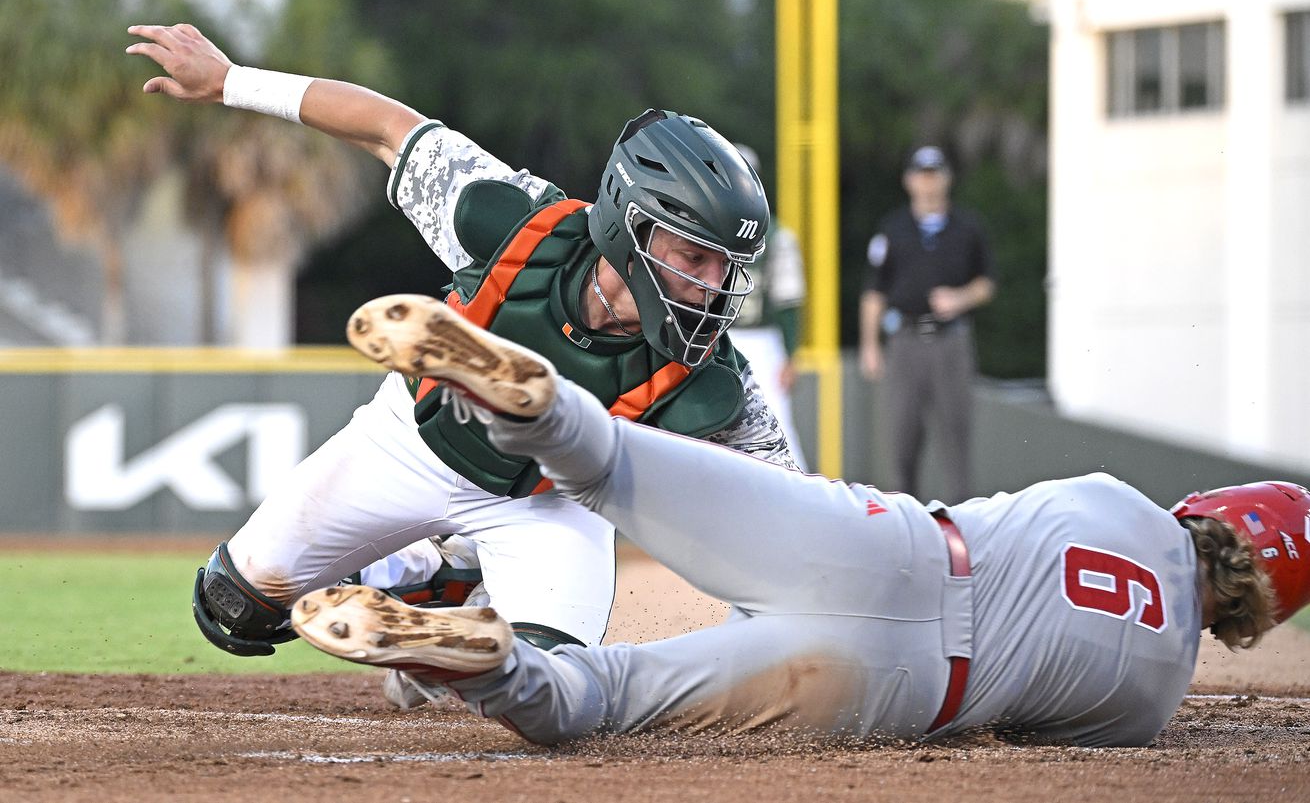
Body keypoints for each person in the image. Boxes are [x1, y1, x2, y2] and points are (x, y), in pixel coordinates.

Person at [291, 299, 1308, 747]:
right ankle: (496, 667)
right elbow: (1020, 727)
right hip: (898, 686)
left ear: (1213, 514)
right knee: (602, 700)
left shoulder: (1114, 500)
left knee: (616, 466)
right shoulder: (1148, 700)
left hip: (890, 544)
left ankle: (530, 407)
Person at [124, 24, 795, 703]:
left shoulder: (718, 379)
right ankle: (434, 577)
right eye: (696, 257)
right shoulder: (516, 220)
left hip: (549, 504)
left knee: (546, 688)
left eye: (728, 266)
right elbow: (390, 128)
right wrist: (232, 81)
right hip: (412, 440)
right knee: (231, 607)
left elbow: (794, 511)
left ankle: (444, 626)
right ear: (632, 225)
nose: (716, 286)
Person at [859, 145, 994, 502]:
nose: (928, 183)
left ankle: (965, 527)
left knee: (955, 440)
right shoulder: (894, 229)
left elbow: (986, 283)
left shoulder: (967, 227)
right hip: (905, 341)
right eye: (922, 175)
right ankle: (908, 529)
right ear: (909, 181)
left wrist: (960, 298)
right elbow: (874, 292)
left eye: (935, 175)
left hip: (952, 342)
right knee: (901, 441)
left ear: (947, 180)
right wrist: (870, 346)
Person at [726, 144, 809, 471]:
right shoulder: (705, 227)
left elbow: (788, 300)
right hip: (715, 337)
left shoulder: (776, 235)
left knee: (774, 424)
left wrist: (791, 353)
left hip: (761, 339)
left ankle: (796, 494)